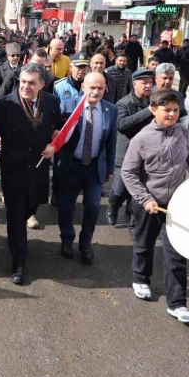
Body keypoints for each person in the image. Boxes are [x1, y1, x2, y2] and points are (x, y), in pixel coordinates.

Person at [123, 90, 189, 324]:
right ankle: (141, 279)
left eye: (176, 110)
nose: (172, 115)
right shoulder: (141, 139)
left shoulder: (182, 133)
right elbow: (128, 173)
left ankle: (177, 303)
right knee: (144, 245)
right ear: (154, 110)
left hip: (177, 204)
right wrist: (145, 199)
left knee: (176, 254)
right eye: (167, 110)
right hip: (148, 203)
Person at [0, 63, 61, 284]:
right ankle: (18, 262)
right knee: (15, 215)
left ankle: (19, 236)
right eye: (22, 82)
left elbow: (57, 129)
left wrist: (54, 144)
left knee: (32, 206)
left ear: (42, 84)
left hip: (39, 168)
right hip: (13, 169)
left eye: (32, 83)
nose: (26, 86)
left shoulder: (52, 102)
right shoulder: (4, 105)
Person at [57, 73, 118, 264]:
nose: (96, 92)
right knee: (67, 206)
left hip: (94, 167)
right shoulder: (68, 105)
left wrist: (110, 168)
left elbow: (111, 142)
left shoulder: (110, 109)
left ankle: (85, 243)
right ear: (83, 87)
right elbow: (57, 134)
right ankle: (67, 240)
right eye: (92, 87)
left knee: (93, 207)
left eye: (100, 88)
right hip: (72, 165)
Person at [107, 68, 155, 226]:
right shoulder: (124, 103)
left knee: (140, 187)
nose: (148, 86)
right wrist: (147, 112)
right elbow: (121, 125)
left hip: (146, 154)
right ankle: (113, 206)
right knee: (120, 188)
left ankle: (131, 214)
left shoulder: (154, 101)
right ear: (134, 84)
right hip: (126, 153)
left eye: (150, 82)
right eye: (144, 83)